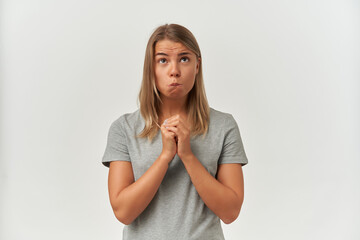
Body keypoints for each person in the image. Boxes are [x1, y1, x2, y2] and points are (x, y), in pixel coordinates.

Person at [101, 23, 249, 240]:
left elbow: (230, 212)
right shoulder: (124, 128)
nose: (174, 71)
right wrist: (165, 156)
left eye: (184, 59)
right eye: (163, 60)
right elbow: (123, 212)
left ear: (197, 66)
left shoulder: (224, 126)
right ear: (151, 68)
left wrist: (187, 155)